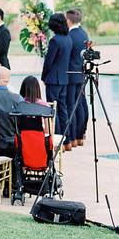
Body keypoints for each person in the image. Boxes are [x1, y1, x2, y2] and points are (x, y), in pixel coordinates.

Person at [41, 13, 72, 144]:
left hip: (53, 79)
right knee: (63, 109)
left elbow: (49, 61)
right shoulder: (67, 38)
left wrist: (44, 76)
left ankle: (57, 137)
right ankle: (66, 138)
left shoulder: (55, 40)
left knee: (53, 109)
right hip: (64, 78)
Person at [66, 8, 90, 148]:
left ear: (68, 20)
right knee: (80, 104)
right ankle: (81, 135)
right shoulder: (83, 33)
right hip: (81, 73)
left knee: (72, 106)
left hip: (71, 75)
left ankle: (73, 136)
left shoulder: (70, 36)